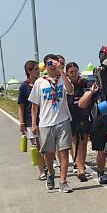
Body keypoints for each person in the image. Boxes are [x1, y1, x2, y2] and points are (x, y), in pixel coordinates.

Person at [29, 54, 75, 193]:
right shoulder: (40, 82)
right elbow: (34, 105)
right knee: (48, 153)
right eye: (49, 63)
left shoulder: (62, 79)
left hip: (62, 120)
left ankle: (63, 181)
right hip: (45, 123)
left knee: (64, 151)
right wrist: (33, 123)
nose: (52, 66)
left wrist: (61, 71)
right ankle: (50, 173)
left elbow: (71, 90)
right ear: (45, 66)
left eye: (54, 63)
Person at [17, 60, 47, 180]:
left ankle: (47, 166)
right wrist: (22, 122)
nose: (38, 71)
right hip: (30, 121)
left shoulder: (42, 83)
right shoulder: (24, 87)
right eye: (35, 69)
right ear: (29, 71)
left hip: (44, 118)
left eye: (38, 69)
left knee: (46, 146)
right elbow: (21, 106)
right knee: (36, 146)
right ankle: (42, 170)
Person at [65, 62, 91, 182]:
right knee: (75, 141)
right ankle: (79, 168)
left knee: (84, 141)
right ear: (67, 73)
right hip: (71, 116)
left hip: (84, 115)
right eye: (71, 72)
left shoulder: (84, 83)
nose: (74, 74)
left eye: (75, 71)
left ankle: (82, 164)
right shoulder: (66, 85)